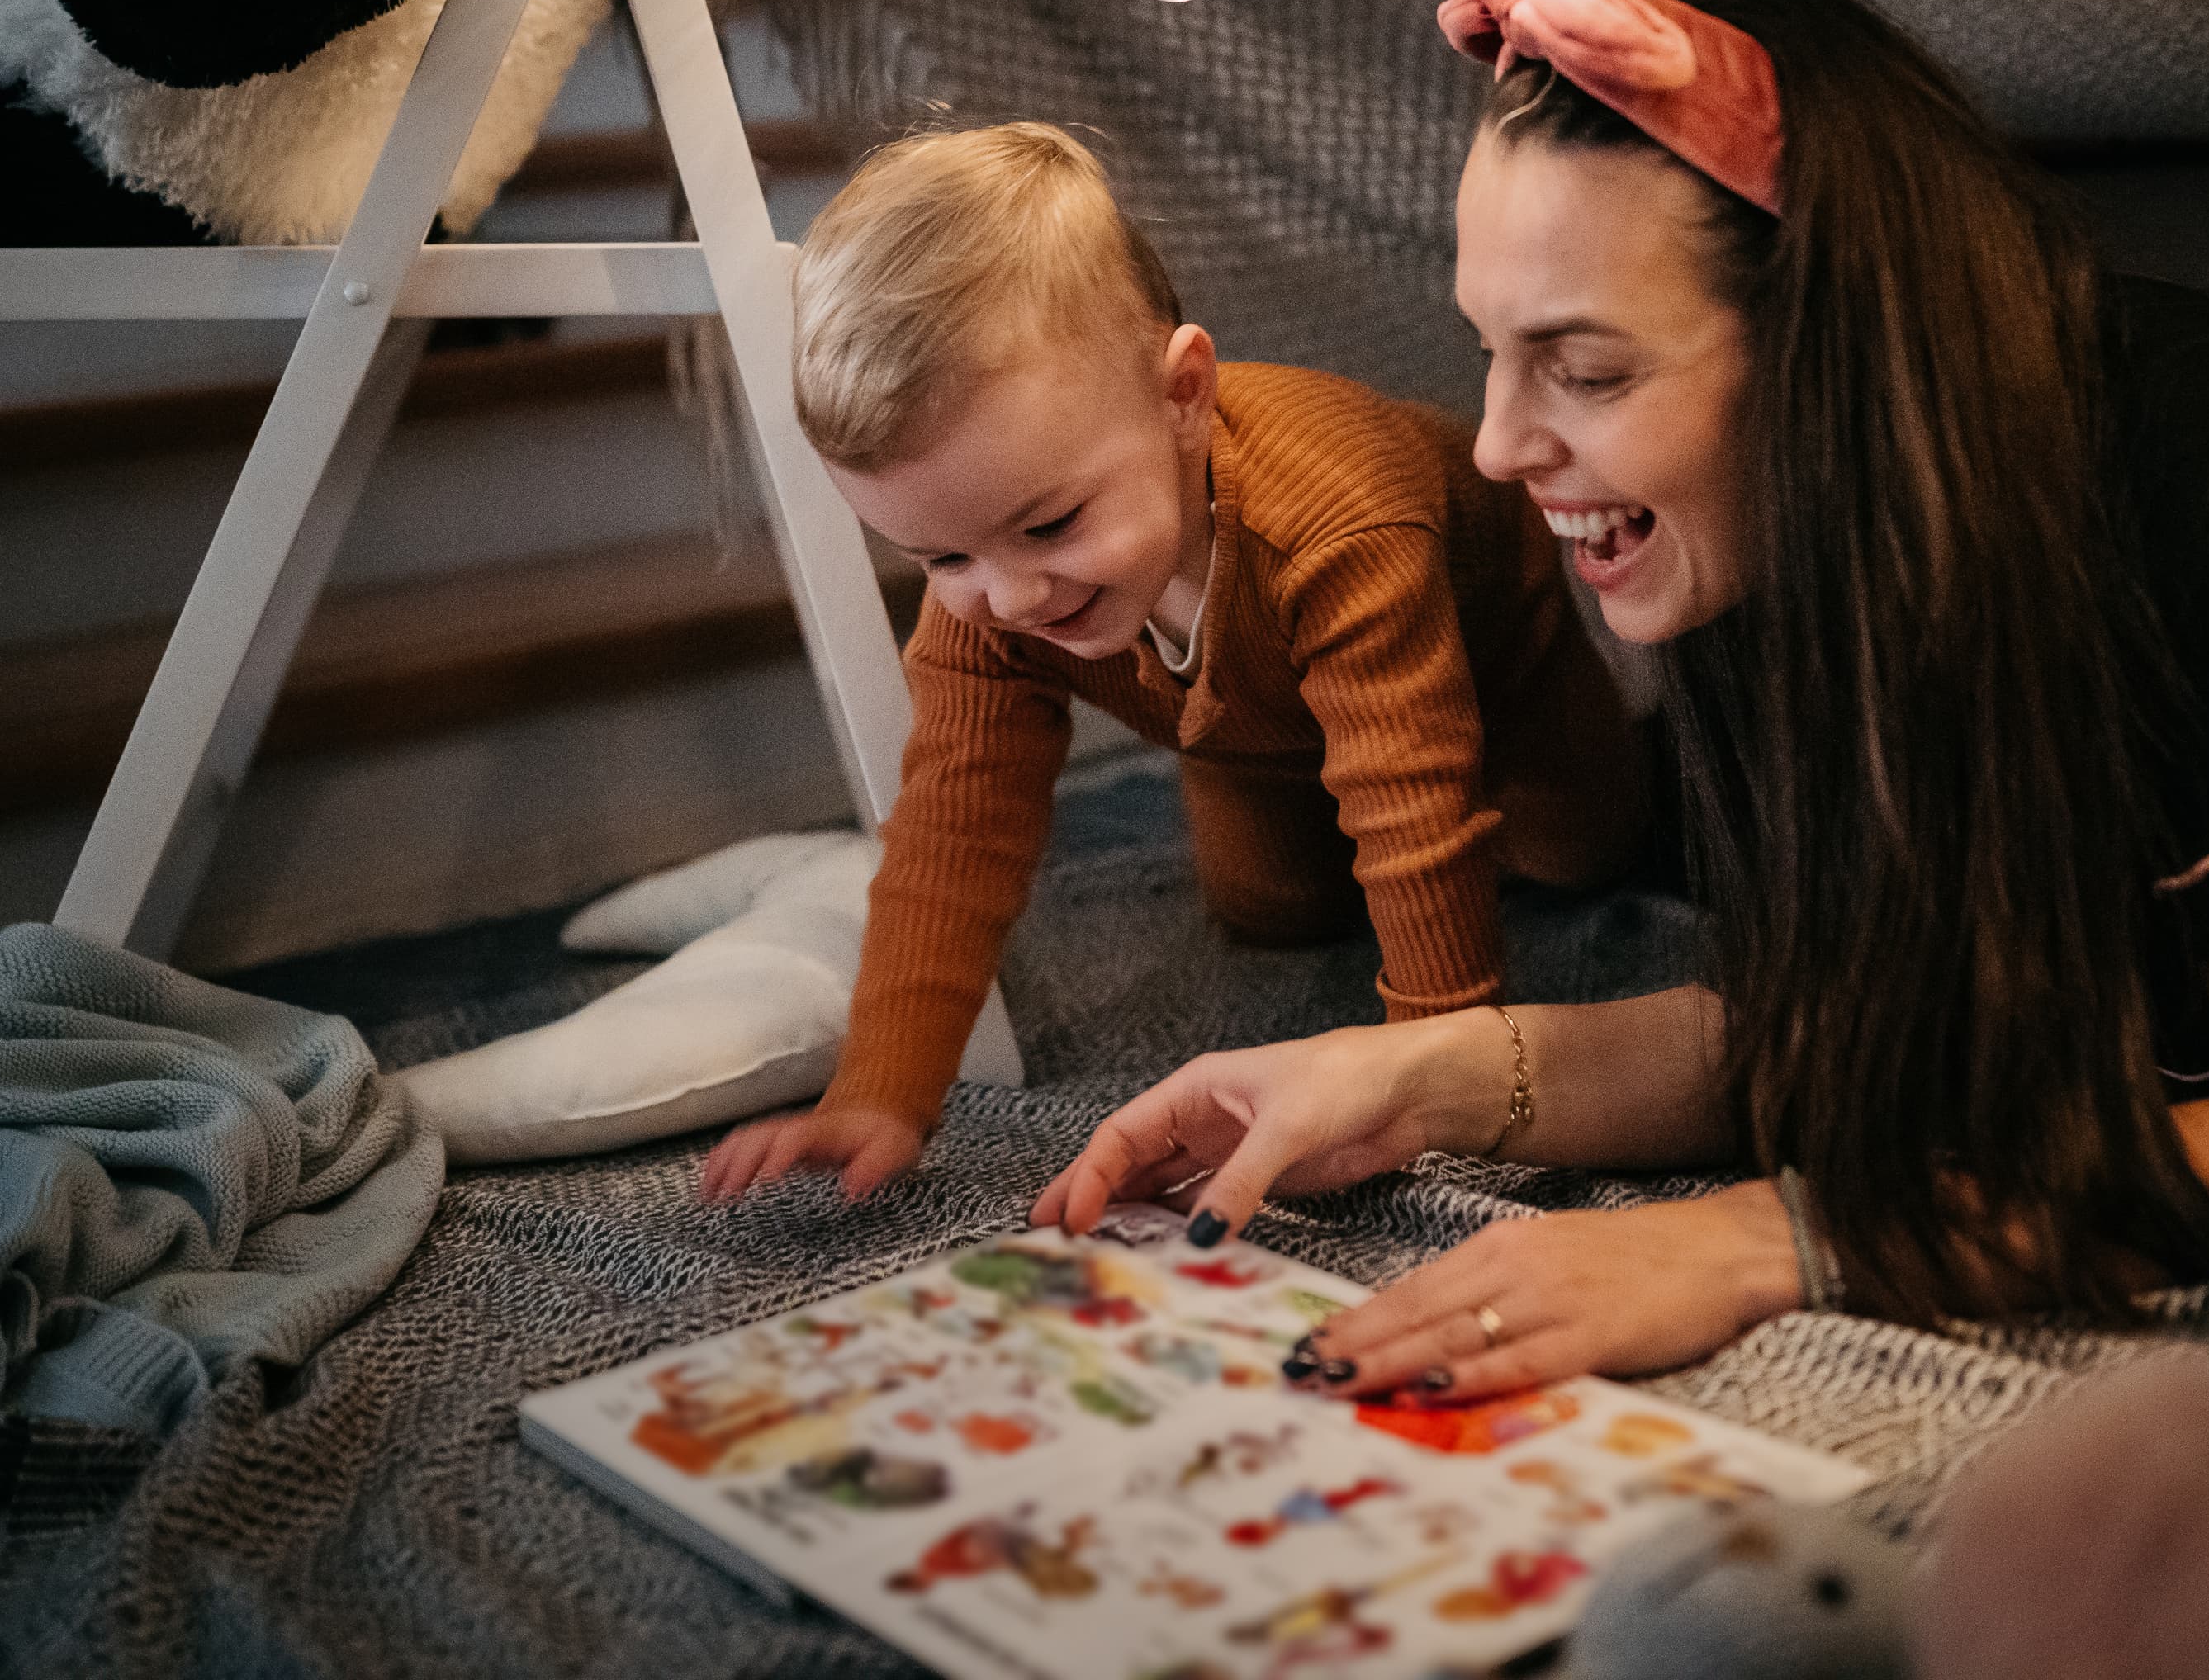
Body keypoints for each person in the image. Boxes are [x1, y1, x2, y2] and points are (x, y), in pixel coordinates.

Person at [1031, 0, 2209, 1393]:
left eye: (1587, 372)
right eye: (1493, 352)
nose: (1495, 446)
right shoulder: (1760, 532)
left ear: (1827, 352)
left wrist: (1768, 1240)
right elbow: (1837, 1021)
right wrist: (1425, 1082)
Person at [701, 122, 1643, 1204]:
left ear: (1182, 395)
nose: (1009, 596)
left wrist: (1424, 1083)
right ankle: (1255, 752)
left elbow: (1412, 811)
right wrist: (881, 1092)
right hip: (1244, 709)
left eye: (1051, 526)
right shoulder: (990, 596)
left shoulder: (1341, 524)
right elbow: (953, 831)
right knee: (1272, 912)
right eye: (942, 554)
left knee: (1584, 847)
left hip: (1488, 651)